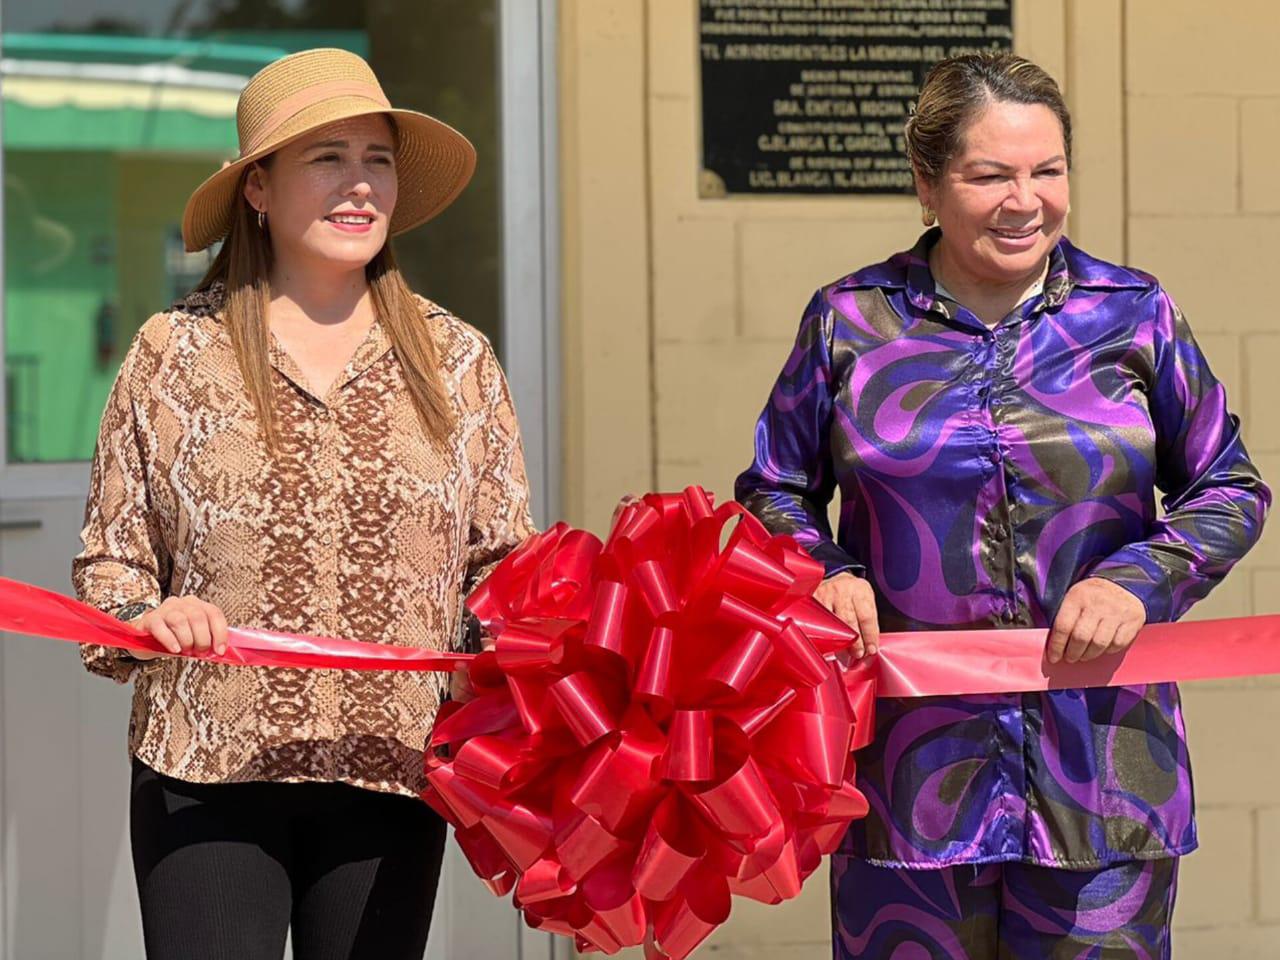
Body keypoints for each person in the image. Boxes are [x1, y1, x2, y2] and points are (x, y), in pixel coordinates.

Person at [736, 52, 1269, 959]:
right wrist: (822, 572)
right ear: (928, 185)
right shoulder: (851, 321)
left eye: (1047, 171)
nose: (1025, 200)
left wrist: (1140, 580)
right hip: (906, 780)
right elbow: (773, 490)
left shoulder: (1134, 314)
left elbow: (1229, 486)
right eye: (990, 175)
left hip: (1104, 778)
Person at [74, 48, 534, 960]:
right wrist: (150, 615)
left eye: (378, 159)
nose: (358, 185)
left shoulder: (459, 361)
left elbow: (503, 568)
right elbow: (109, 563)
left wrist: (516, 650)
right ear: (258, 187)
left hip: (390, 766)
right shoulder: (173, 354)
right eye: (327, 158)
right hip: (208, 766)